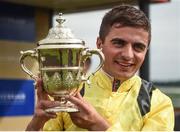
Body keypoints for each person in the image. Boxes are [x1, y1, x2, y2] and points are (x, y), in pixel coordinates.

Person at [26, 5, 174, 131]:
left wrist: (97, 125)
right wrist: (36, 123)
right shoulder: (69, 92)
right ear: (99, 44)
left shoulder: (158, 102)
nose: (128, 55)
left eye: (138, 47)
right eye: (119, 43)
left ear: (146, 51)